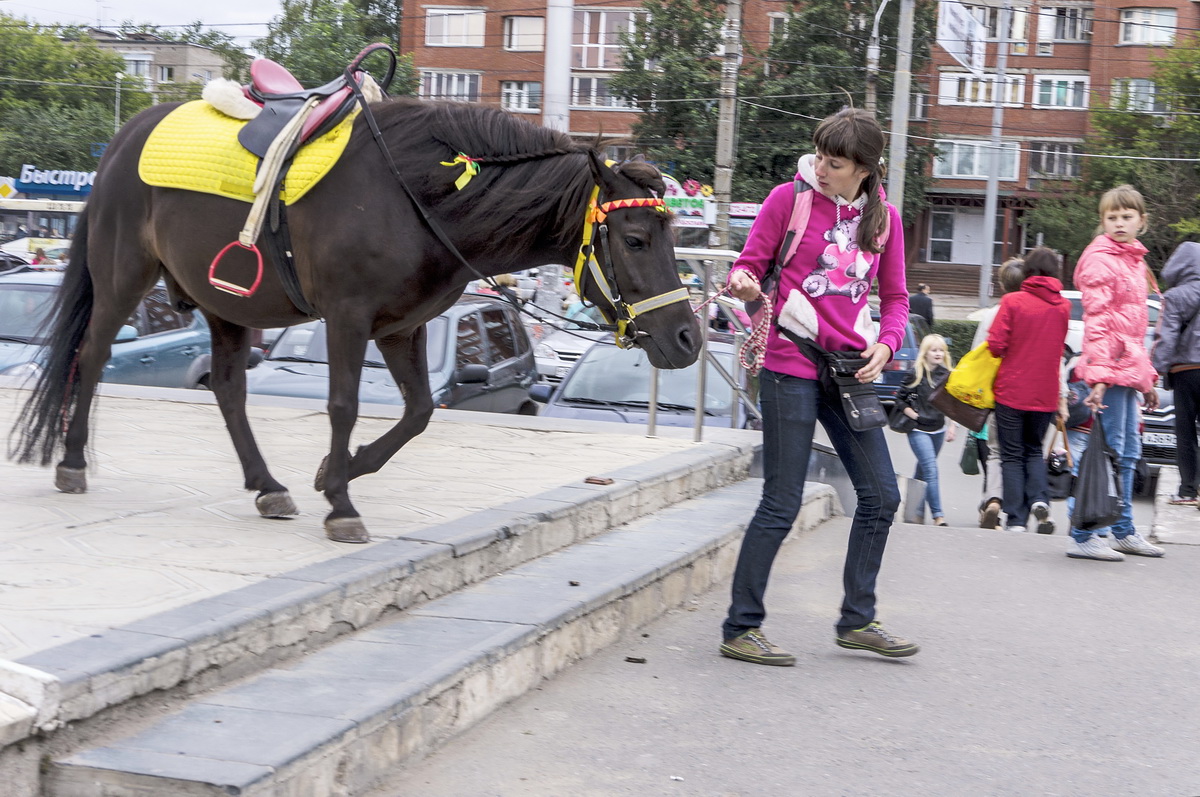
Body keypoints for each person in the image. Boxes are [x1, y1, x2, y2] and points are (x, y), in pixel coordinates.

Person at [719, 108, 915, 666]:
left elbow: (895, 299)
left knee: (882, 496)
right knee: (781, 501)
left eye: (836, 163)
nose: (822, 169)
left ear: (864, 170)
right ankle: (741, 628)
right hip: (790, 360)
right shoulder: (790, 199)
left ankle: (858, 621)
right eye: (821, 158)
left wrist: (888, 342)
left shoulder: (885, 221)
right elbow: (749, 267)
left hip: (849, 369)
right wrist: (742, 281)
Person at [1069, 184, 1164, 560]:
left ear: (1142, 221)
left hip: (1126, 373)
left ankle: (1121, 529)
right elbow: (1099, 322)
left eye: (1127, 216)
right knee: (1104, 454)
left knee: (1127, 453)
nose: (1120, 223)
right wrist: (1102, 376)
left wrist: (1147, 379)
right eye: (1112, 217)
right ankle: (1084, 533)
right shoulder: (1100, 259)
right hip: (1107, 374)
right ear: (1102, 220)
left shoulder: (1133, 261)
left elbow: (1134, 331)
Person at [986, 247, 1070, 534]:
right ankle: (1039, 500)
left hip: (1011, 390)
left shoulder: (1013, 301)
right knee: (1034, 450)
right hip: (1045, 394)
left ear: (1028, 271)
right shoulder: (1063, 307)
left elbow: (996, 345)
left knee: (1011, 455)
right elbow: (1059, 350)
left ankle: (1017, 520)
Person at [970, 259, 1026, 529]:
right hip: (1028, 393)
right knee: (1023, 453)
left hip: (995, 393)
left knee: (995, 452)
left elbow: (976, 354)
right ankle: (1020, 511)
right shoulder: (1033, 310)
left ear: (1002, 284)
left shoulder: (992, 314)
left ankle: (993, 500)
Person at [1152, 242, 1200, 506]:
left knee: (1185, 432)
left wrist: (1154, 371)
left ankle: (1188, 490)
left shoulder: (1175, 295)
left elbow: (1166, 337)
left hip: (1186, 372)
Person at [895, 334, 957, 526]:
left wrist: (952, 426)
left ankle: (916, 511)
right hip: (918, 430)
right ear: (926, 353)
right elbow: (900, 399)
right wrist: (913, 415)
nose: (938, 354)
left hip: (937, 430)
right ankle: (938, 515)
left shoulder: (947, 375)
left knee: (923, 471)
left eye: (941, 350)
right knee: (930, 468)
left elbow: (953, 404)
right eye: (934, 350)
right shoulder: (915, 373)